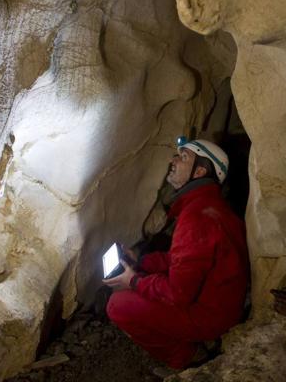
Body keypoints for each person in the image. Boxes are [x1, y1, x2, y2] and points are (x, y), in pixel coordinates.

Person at [104, 137, 249, 372]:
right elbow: (182, 261)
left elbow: (178, 294)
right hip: (221, 304)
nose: (173, 160)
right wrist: (139, 261)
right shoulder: (210, 207)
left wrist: (133, 280)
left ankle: (187, 357)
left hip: (210, 316)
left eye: (183, 158)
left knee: (118, 304)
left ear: (199, 171)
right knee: (139, 279)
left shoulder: (197, 217)